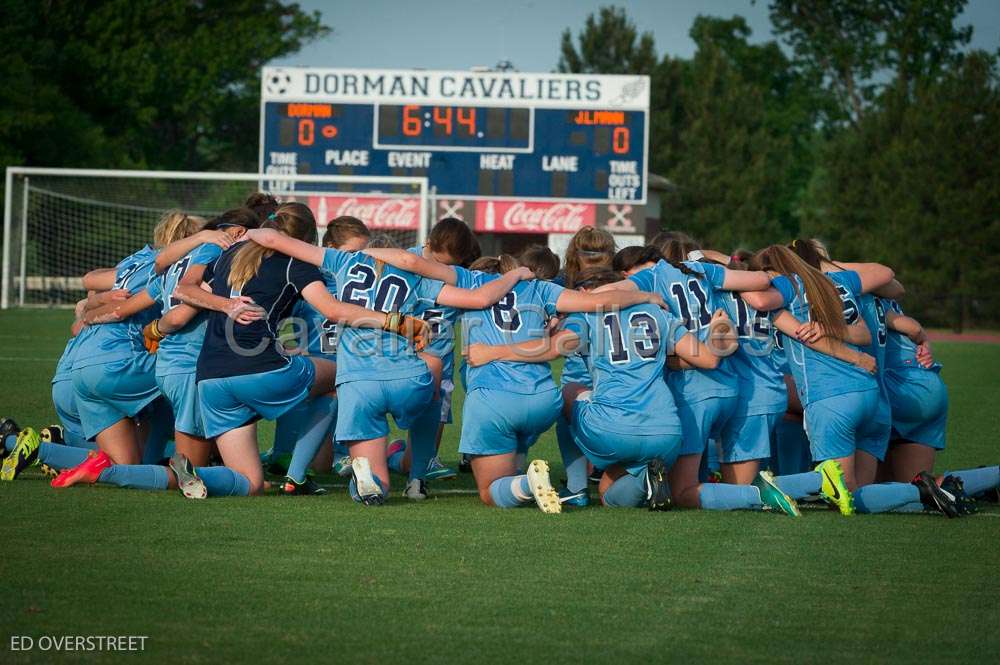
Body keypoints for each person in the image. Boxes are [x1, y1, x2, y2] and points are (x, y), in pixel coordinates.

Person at [365, 247, 674, 513]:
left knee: (489, 491)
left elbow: (412, 261)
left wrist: (362, 253)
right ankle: (566, 479)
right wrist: (644, 295)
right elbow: (595, 303)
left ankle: (528, 482)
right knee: (533, 424)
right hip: (542, 401)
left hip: (494, 400)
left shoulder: (472, 280)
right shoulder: (542, 288)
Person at [243, 225, 534, 506]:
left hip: (359, 384)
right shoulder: (414, 277)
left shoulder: (343, 261)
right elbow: (480, 297)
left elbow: (273, 239)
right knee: (434, 384)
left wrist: (242, 234)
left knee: (374, 479)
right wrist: (517, 273)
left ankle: (368, 482)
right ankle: (418, 478)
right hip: (406, 378)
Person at [465, 268, 720, 509]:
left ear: (586, 292)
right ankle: (647, 480)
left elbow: (553, 349)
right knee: (609, 492)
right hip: (666, 434)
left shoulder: (586, 315)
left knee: (568, 392)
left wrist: (493, 352)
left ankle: (576, 486)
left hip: (612, 430)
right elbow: (708, 359)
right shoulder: (658, 313)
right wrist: (723, 328)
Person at [744, 245, 965, 517]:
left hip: (831, 396)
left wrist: (732, 273)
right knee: (860, 492)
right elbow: (869, 327)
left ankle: (774, 484)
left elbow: (763, 303)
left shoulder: (787, 286)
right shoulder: (841, 281)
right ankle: (941, 486)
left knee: (841, 490)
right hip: (872, 393)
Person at [597, 243, 802, 515]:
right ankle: (810, 482)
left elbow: (603, 294)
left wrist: (644, 296)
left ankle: (761, 494)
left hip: (693, 391)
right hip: (732, 387)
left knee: (682, 491)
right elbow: (761, 279)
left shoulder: (652, 276)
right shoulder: (703, 270)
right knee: (726, 482)